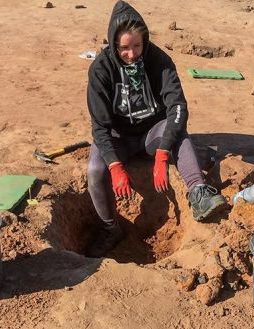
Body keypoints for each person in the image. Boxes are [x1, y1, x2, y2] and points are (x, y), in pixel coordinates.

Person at [86, 0, 226, 257]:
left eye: (137, 46)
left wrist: (162, 154)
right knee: (95, 169)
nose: (132, 54)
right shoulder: (101, 70)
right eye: (124, 48)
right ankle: (110, 228)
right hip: (119, 137)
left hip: (152, 132)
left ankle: (198, 192)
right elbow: (100, 127)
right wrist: (115, 167)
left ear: (145, 41)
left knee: (176, 132)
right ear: (114, 44)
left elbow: (178, 108)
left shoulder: (159, 60)